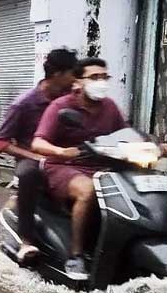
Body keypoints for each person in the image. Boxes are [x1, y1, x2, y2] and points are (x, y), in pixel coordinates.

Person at [31, 58, 132, 279]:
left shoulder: (110, 107)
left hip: (101, 167)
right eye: (94, 77)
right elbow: (38, 143)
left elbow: (125, 134)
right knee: (88, 190)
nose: (101, 82)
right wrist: (61, 152)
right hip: (63, 167)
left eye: (104, 77)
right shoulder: (61, 106)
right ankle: (76, 256)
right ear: (78, 81)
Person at [0, 48, 78, 263]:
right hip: (34, 158)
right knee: (28, 173)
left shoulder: (70, 100)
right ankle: (26, 239)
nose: (75, 78)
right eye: (72, 73)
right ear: (58, 75)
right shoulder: (24, 103)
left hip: (65, 157)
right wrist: (35, 157)